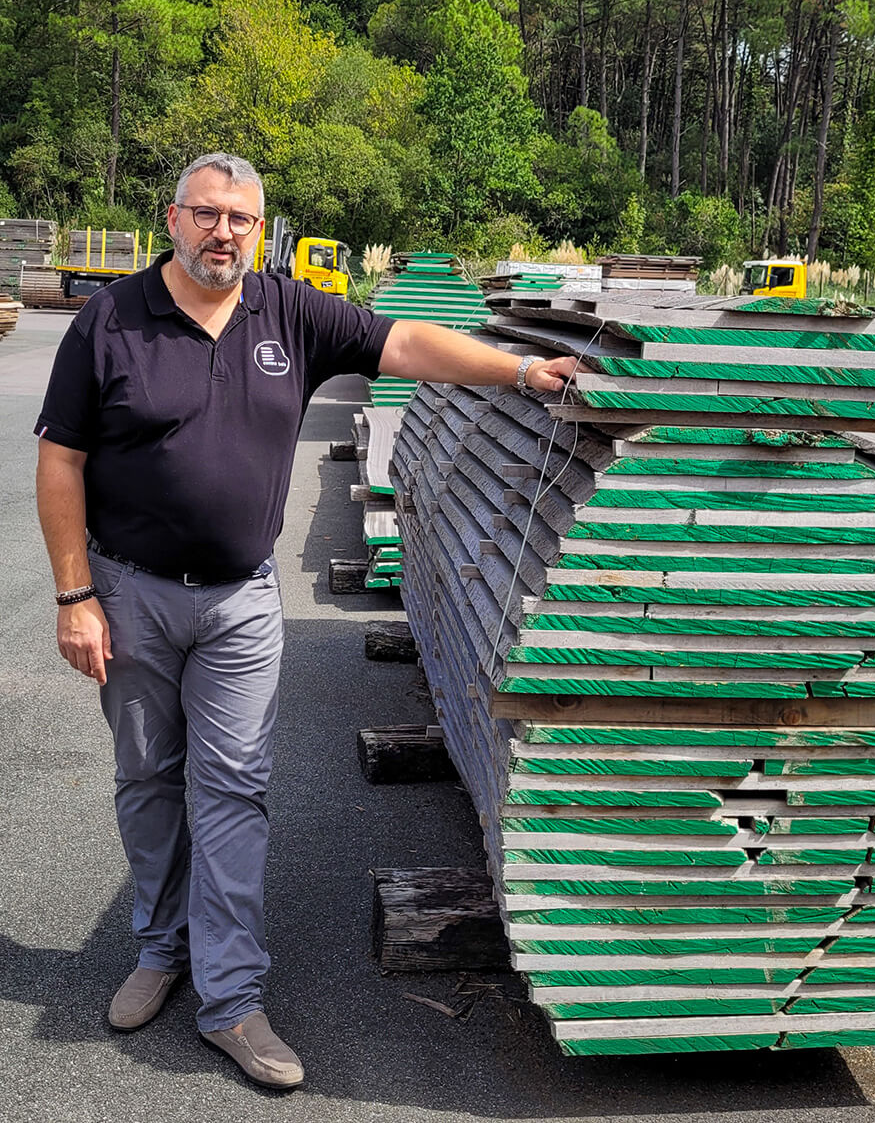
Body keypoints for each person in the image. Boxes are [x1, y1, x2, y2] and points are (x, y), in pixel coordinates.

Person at [34, 152, 576, 1089]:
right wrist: (74, 596)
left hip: (242, 602)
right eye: (206, 215)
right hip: (130, 596)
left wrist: (522, 370)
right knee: (148, 779)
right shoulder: (109, 321)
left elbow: (406, 345)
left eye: (241, 219)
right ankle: (160, 950)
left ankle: (232, 998)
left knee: (234, 790)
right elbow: (61, 462)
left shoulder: (291, 311)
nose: (223, 233)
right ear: (172, 219)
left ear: (260, 227)